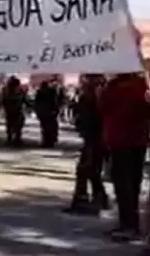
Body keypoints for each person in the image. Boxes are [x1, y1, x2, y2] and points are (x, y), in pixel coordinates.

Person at [99, 73, 150, 241]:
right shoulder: (142, 84)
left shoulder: (114, 86)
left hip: (120, 140)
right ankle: (131, 224)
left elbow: (103, 107)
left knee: (123, 185)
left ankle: (128, 225)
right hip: (138, 140)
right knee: (133, 185)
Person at [63, 74, 109, 216]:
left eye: (87, 79)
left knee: (85, 169)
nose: (83, 81)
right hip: (93, 137)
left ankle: (84, 200)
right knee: (91, 170)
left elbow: (99, 116)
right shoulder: (91, 94)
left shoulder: (98, 94)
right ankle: (99, 198)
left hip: (96, 138)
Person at [2, 76, 27, 146]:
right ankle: (17, 139)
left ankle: (10, 139)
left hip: (9, 110)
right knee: (18, 125)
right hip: (17, 110)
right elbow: (24, 99)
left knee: (9, 124)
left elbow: (3, 100)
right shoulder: (20, 90)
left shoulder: (5, 90)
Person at [34, 81, 60, 148]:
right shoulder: (51, 91)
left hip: (43, 112)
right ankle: (50, 141)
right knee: (50, 127)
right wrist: (56, 110)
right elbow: (55, 101)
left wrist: (37, 111)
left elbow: (37, 103)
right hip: (50, 112)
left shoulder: (40, 92)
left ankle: (46, 141)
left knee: (44, 128)